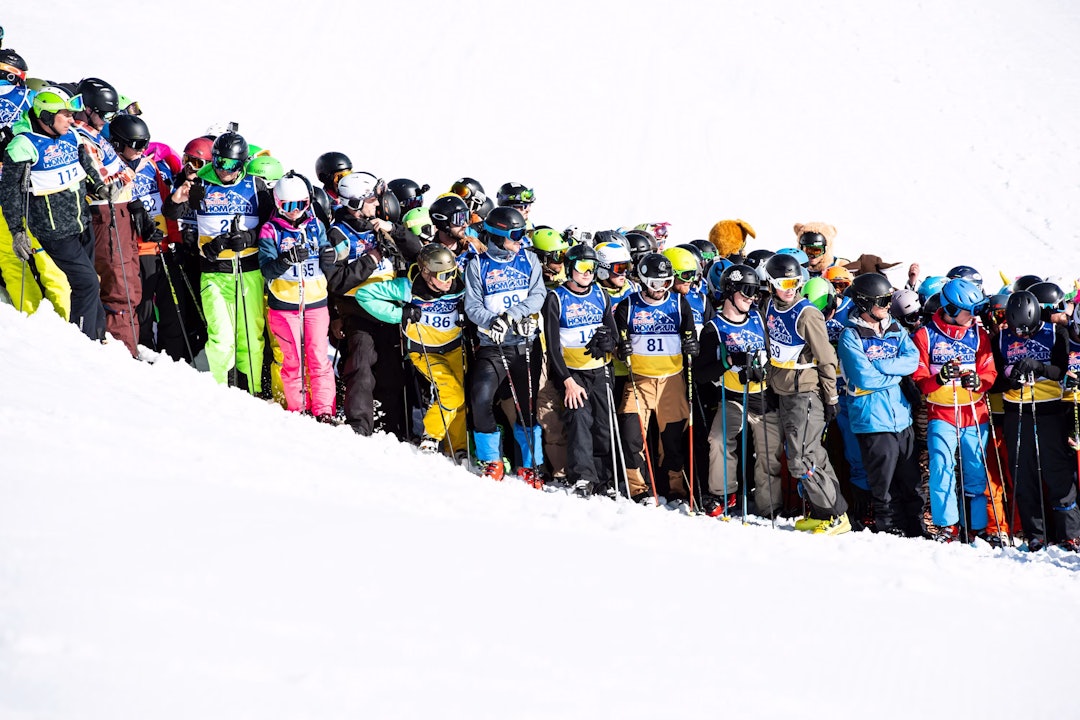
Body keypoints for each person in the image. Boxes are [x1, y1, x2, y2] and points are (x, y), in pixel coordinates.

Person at [163, 131, 272, 393]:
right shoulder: (201, 183)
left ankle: (253, 389)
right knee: (221, 340)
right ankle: (221, 391)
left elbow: (272, 226)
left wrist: (248, 238)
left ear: (242, 163)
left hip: (248, 272)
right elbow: (172, 212)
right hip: (214, 273)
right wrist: (178, 198)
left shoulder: (256, 186)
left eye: (233, 165)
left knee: (251, 339)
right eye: (220, 163)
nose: (225, 170)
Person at [0, 85, 107, 341]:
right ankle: (83, 343)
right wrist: (17, 231)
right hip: (54, 231)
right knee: (86, 283)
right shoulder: (23, 145)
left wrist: (100, 186)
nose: (73, 120)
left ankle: (99, 335)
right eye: (65, 114)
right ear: (46, 116)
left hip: (81, 222)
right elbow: (10, 193)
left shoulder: (71, 136)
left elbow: (85, 165)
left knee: (92, 281)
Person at [325, 171, 421, 437]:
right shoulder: (337, 234)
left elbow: (419, 253)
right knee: (361, 364)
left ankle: (395, 429)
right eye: (371, 200)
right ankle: (359, 426)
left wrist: (395, 232)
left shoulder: (381, 227)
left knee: (392, 371)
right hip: (357, 312)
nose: (377, 204)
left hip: (390, 311)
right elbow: (337, 281)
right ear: (355, 203)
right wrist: (373, 257)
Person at [762, 252, 849, 534]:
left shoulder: (808, 314)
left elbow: (826, 359)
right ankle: (824, 512)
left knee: (801, 459)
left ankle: (836, 517)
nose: (790, 291)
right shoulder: (769, 307)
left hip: (807, 392)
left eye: (795, 284)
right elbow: (772, 350)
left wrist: (831, 396)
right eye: (783, 284)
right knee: (812, 454)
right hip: (783, 391)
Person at [356, 243, 468, 456]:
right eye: (444, 276)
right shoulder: (407, 287)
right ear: (427, 274)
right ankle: (431, 435)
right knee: (452, 393)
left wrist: (467, 309)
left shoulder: (460, 283)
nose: (450, 280)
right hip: (425, 350)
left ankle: (458, 447)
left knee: (458, 399)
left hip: (454, 347)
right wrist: (399, 314)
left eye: (452, 273)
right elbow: (365, 295)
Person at [837, 273, 925, 536]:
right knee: (884, 484)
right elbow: (863, 377)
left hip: (901, 417)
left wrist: (882, 367)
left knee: (911, 481)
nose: (888, 305)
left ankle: (917, 528)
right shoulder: (850, 336)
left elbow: (913, 359)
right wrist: (894, 374)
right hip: (873, 420)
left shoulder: (895, 328)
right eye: (883, 301)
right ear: (865, 303)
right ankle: (891, 530)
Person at [464, 206, 547, 484]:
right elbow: (472, 306)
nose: (520, 241)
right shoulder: (477, 265)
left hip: (525, 344)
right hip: (493, 346)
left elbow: (538, 295)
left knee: (527, 405)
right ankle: (492, 460)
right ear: (498, 237)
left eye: (523, 234)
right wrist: (492, 322)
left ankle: (530, 464)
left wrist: (515, 316)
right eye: (515, 235)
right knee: (480, 396)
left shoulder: (529, 259)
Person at [911, 278, 996, 542]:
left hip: (974, 413)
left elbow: (990, 372)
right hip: (943, 415)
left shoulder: (978, 334)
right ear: (949, 309)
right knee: (941, 467)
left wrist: (979, 383)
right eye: (967, 311)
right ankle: (948, 526)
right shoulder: (925, 335)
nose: (972, 317)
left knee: (975, 468)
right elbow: (920, 380)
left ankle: (978, 526)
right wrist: (940, 378)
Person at [994, 290, 1080, 550]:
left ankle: (1069, 532)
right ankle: (1036, 533)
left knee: (1058, 473)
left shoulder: (1054, 333)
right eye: (1018, 331)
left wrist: (1039, 367)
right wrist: (1010, 378)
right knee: (1023, 473)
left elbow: (1060, 370)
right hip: (1016, 411)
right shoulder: (999, 338)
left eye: (1028, 331)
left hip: (1050, 411)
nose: (1022, 336)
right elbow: (994, 380)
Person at [695, 263, 783, 517]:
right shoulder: (714, 328)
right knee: (719, 438)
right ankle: (722, 493)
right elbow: (702, 373)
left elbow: (770, 353)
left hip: (763, 397)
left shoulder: (758, 318)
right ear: (730, 292)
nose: (751, 298)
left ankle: (770, 504)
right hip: (733, 398)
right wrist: (730, 362)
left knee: (770, 450)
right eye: (745, 292)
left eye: (754, 292)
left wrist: (761, 370)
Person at [613, 252, 697, 504]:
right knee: (631, 437)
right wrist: (620, 349)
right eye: (656, 283)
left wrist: (692, 346)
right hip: (639, 380)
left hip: (671, 380)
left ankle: (675, 489)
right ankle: (637, 488)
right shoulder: (629, 306)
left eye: (667, 282)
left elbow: (691, 338)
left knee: (672, 441)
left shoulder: (679, 304)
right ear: (643, 281)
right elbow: (617, 344)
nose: (662, 289)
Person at [542, 243, 619, 497]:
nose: (587, 273)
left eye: (592, 267)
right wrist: (567, 381)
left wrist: (609, 341)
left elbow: (613, 333)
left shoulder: (600, 294)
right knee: (579, 420)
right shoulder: (556, 298)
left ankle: (604, 477)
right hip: (573, 372)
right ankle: (583, 476)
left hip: (600, 369)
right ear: (570, 268)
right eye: (582, 267)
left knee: (603, 424)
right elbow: (553, 346)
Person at [258, 174, 337, 419]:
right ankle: (299, 407)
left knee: (318, 357)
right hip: (284, 306)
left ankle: (324, 410)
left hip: (315, 303)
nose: (294, 212)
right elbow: (266, 269)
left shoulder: (316, 225)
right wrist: (285, 260)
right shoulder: (270, 230)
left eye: (300, 205)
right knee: (293, 361)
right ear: (278, 203)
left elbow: (328, 255)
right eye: (288, 206)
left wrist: (330, 257)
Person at [74, 77, 141, 355]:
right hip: (106, 214)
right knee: (119, 284)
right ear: (86, 108)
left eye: (112, 115)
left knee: (130, 283)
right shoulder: (82, 139)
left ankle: (130, 345)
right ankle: (123, 349)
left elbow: (119, 174)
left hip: (118, 214)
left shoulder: (95, 135)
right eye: (103, 114)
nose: (106, 121)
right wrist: (127, 173)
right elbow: (108, 183)